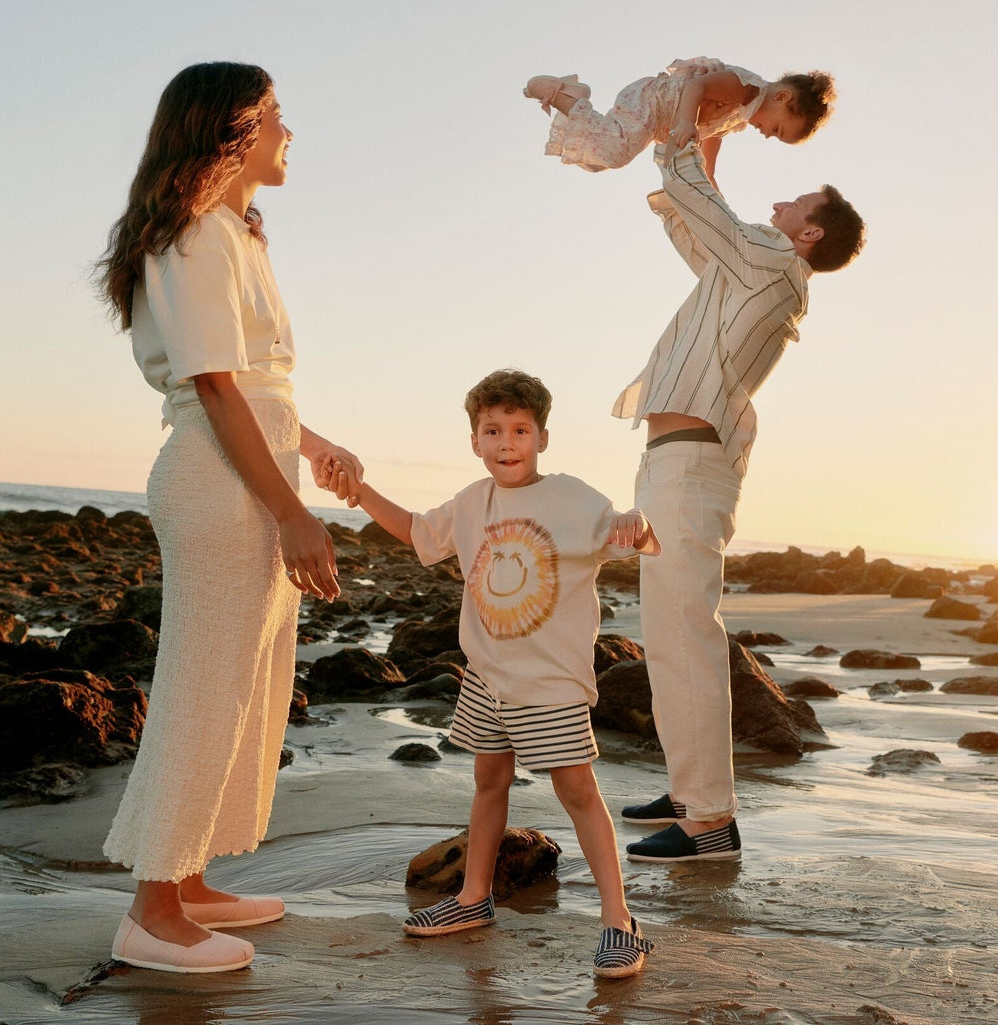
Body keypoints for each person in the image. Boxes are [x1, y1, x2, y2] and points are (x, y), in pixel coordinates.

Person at [94, 62, 362, 973]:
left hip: (248, 464)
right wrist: (292, 511)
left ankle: (191, 879)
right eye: (278, 117)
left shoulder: (238, 236)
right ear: (232, 128)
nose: (292, 133)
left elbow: (252, 382)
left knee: (245, 688)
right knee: (204, 689)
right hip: (220, 483)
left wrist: (312, 446)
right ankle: (150, 911)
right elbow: (210, 386)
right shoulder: (196, 234)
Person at [326, 369, 660, 978]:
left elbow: (625, 529)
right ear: (475, 441)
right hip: (487, 674)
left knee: (577, 791)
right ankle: (472, 899)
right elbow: (416, 531)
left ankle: (620, 921)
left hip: (549, 679)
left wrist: (636, 519)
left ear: (543, 438)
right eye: (493, 430)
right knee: (488, 780)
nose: (508, 442)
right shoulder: (471, 503)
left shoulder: (569, 497)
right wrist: (361, 493)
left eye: (521, 430)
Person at [611, 139, 865, 862]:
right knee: (667, 640)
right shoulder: (750, 269)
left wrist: (692, 134)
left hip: (689, 470)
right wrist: (696, 157)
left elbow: (702, 206)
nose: (779, 204)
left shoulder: (775, 261)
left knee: (685, 639)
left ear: (808, 233)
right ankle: (691, 794)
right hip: (673, 464)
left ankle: (711, 821)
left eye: (795, 204)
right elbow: (692, 224)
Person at [524, 57, 834, 186]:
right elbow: (696, 87)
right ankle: (563, 94)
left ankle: (574, 97)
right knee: (615, 152)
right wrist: (686, 122)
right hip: (653, 100)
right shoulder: (747, 87)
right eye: (777, 130)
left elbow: (715, 133)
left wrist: (709, 174)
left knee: (600, 158)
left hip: (657, 120)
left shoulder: (743, 110)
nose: (768, 135)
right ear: (780, 98)